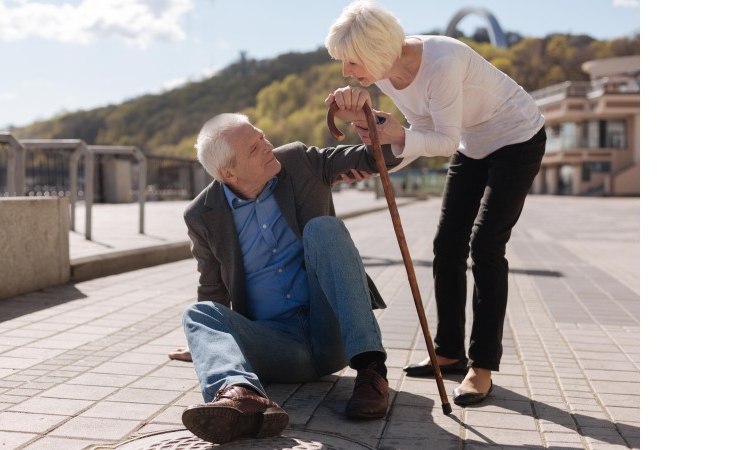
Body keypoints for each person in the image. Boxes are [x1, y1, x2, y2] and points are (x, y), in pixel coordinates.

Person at [324, 0, 547, 407]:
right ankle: (448, 351)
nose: (346, 72)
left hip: (517, 138)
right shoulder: (387, 74)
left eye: (351, 61)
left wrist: (396, 136)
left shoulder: (441, 62)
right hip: (472, 144)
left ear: (376, 50)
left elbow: (441, 142)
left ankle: (482, 366)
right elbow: (421, 130)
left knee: (485, 245)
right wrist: (376, 164)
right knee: (447, 245)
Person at [178, 112, 402, 444]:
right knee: (196, 314)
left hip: (331, 333)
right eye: (254, 148)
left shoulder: (298, 161)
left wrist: (384, 132)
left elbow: (376, 158)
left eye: (262, 137)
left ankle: (371, 371)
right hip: (276, 347)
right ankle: (242, 397)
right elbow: (212, 288)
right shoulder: (201, 214)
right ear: (228, 173)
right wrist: (207, 343)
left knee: (324, 228)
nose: (268, 146)